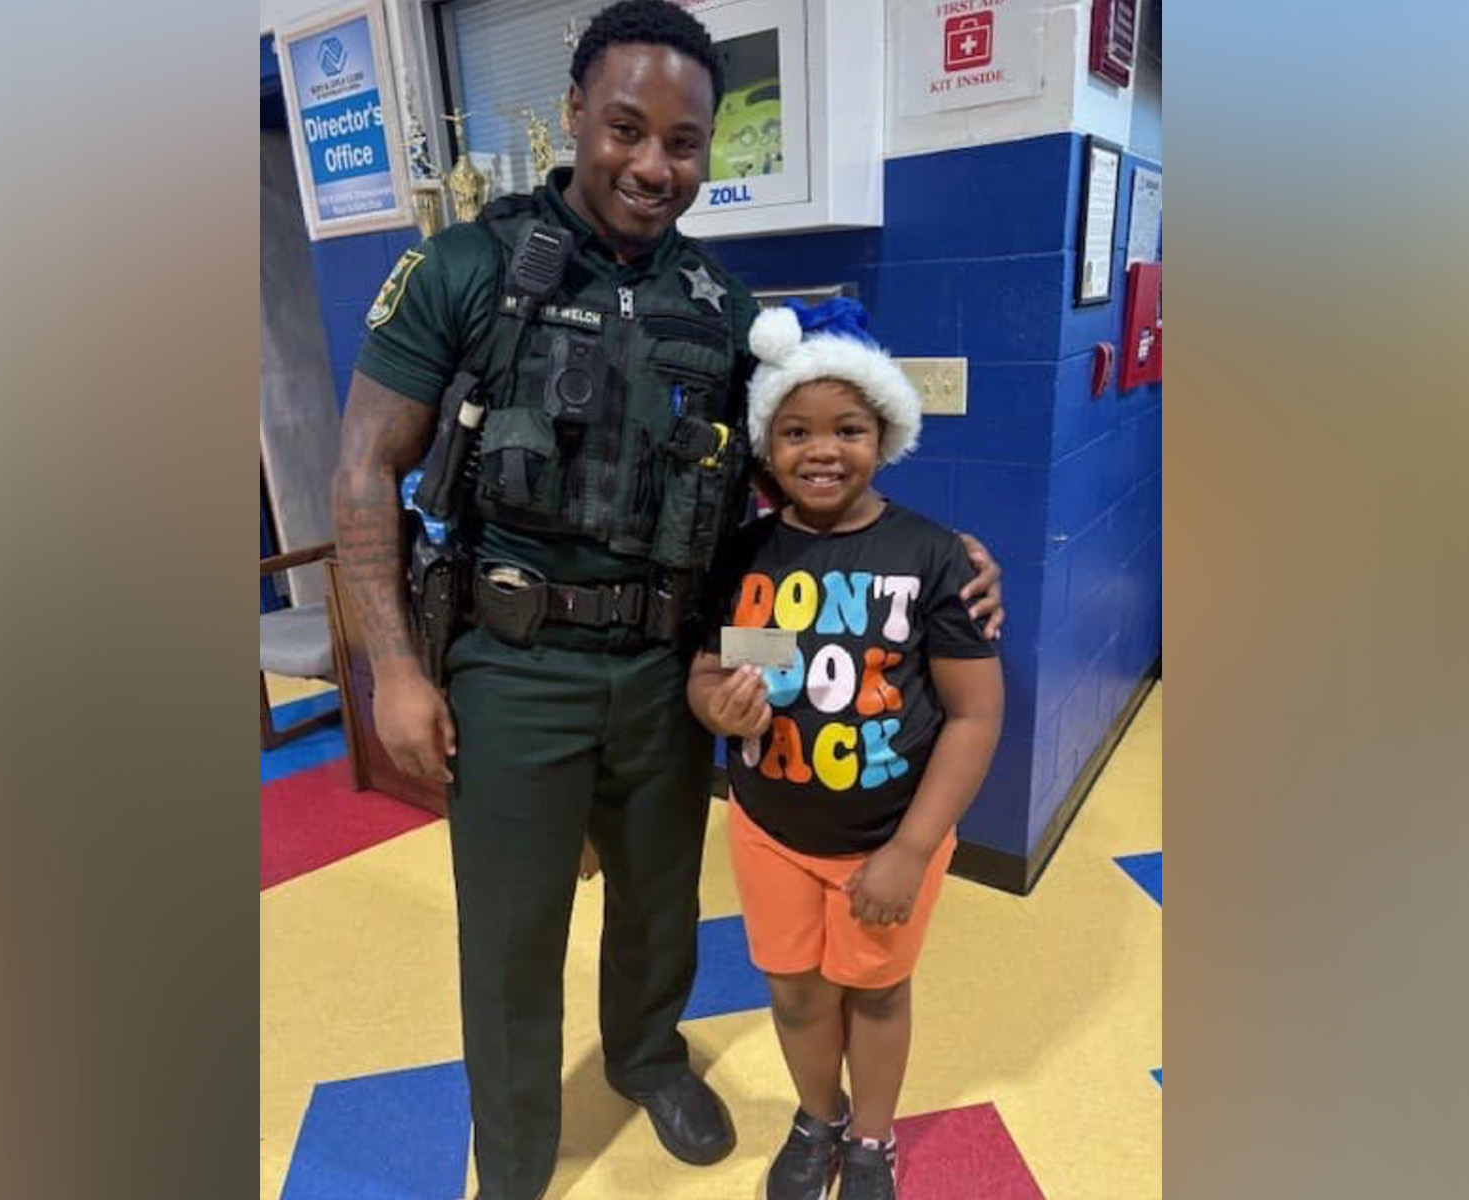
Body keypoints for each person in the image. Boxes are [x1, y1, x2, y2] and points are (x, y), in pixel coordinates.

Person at [330, 4, 1002, 1198]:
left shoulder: (728, 312)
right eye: (626, 129)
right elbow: (361, 468)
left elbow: (802, 482)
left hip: (666, 670)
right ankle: (520, 1157)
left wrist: (949, 556)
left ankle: (646, 1056)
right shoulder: (469, 268)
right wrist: (392, 667)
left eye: (683, 142)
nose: (652, 164)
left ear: (707, 152)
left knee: (659, 905)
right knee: (510, 937)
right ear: (576, 111)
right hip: (510, 659)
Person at [687, 299, 1006, 1200]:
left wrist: (910, 851)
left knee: (875, 994)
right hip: (770, 827)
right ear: (766, 445)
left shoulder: (932, 556)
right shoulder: (747, 553)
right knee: (793, 992)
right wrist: (722, 707)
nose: (821, 450)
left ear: (886, 432)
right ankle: (816, 1114)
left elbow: (975, 716)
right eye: (795, 431)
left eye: (848, 429)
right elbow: (718, 670)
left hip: (888, 839)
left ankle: (871, 1138)